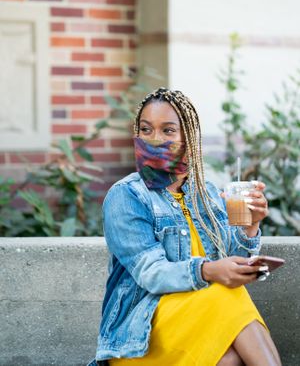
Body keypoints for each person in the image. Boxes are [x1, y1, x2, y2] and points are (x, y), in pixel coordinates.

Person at [87, 88, 282, 366]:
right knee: (225, 294)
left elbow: (230, 259)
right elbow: (151, 273)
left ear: (188, 138)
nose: (155, 139)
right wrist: (208, 271)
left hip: (204, 318)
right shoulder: (126, 196)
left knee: (229, 360)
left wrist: (250, 227)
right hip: (143, 336)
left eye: (168, 131)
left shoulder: (208, 194)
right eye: (146, 129)